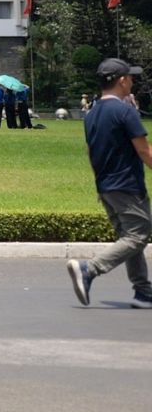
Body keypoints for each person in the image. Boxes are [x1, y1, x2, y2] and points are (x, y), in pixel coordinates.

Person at [66, 59, 151, 309]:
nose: (132, 81)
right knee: (139, 234)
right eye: (130, 77)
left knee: (129, 236)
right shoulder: (125, 111)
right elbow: (144, 151)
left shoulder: (91, 115)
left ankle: (143, 292)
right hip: (127, 184)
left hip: (106, 186)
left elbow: (91, 152)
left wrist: (100, 184)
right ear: (122, 80)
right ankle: (90, 269)